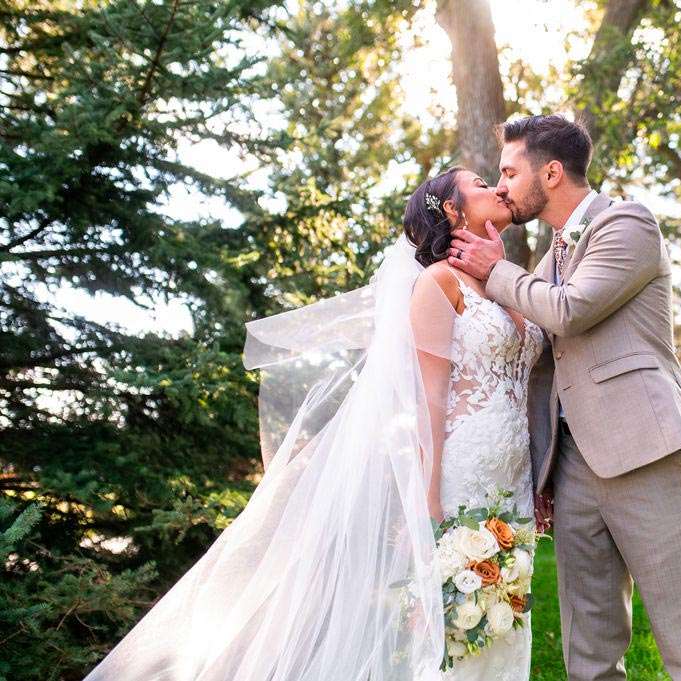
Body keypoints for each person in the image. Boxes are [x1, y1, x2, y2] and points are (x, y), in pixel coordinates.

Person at [81, 167, 542, 681]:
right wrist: (428, 504)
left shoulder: (508, 281)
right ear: (453, 211)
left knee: (507, 626)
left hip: (513, 480)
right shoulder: (438, 283)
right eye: (480, 184)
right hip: (461, 477)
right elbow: (428, 400)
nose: (497, 188)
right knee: (464, 636)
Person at [448, 114, 681, 681]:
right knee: (590, 654)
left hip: (647, 452)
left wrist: (496, 270)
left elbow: (571, 310)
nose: (500, 186)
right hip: (575, 470)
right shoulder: (549, 258)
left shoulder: (627, 223)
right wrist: (545, 472)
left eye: (509, 172)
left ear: (551, 173)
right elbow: (542, 369)